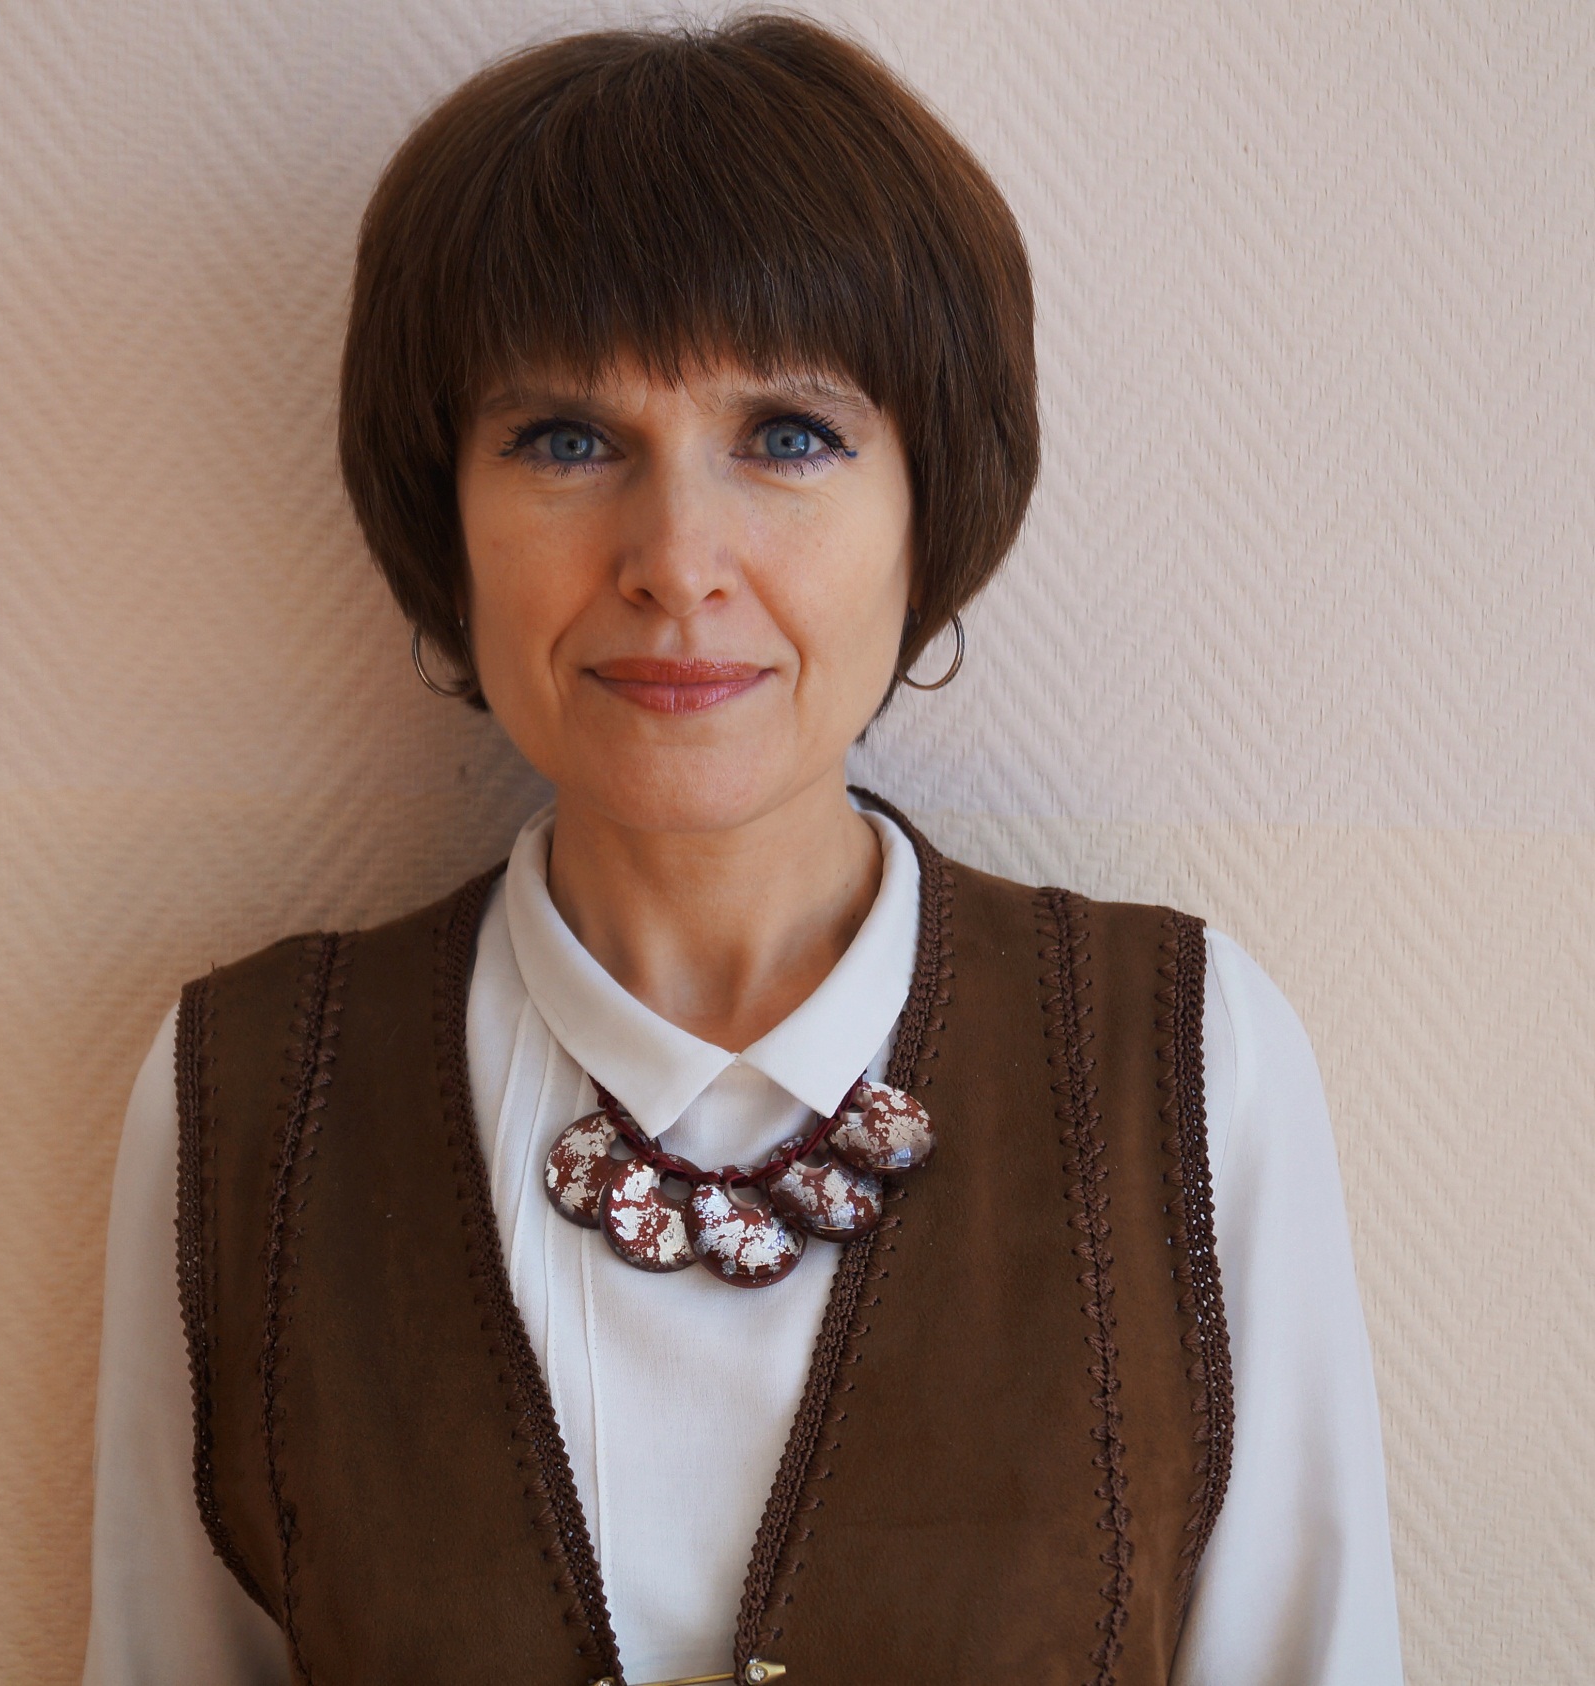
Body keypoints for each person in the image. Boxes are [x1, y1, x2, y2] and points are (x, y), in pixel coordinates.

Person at [82, 17, 1403, 1685]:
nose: (677, 558)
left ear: (930, 504)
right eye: (567, 438)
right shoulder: (245, 1098)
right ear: (443, 511)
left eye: (787, 434)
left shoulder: (1190, 1062)